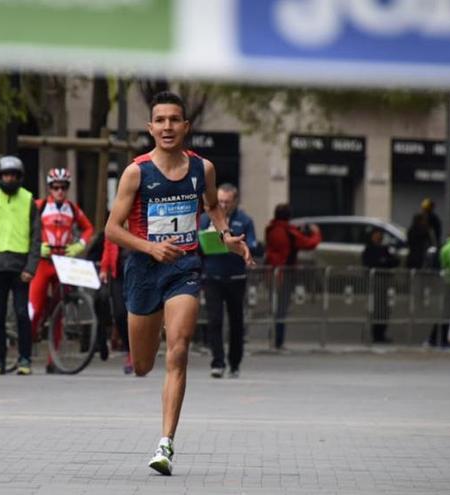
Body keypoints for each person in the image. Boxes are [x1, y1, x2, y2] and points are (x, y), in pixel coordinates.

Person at [104, 91, 252, 476]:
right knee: (141, 365)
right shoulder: (136, 172)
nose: (168, 127)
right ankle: (146, 356)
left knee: (180, 349)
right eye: (161, 120)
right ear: (150, 127)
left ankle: (165, 443)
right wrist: (150, 248)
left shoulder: (202, 169)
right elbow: (112, 230)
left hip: (184, 267)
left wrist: (226, 235)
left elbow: (212, 206)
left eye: (175, 120)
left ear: (185, 127)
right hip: (143, 269)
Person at [0, 155, 40, 376]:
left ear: (19, 177)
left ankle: (24, 359)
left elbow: (35, 237)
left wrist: (31, 267)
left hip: (20, 267)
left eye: (13, 175)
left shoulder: (28, 200)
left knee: (22, 314)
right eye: (5, 175)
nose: (9, 179)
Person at [29, 167, 94, 373]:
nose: (59, 191)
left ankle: (52, 360)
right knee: (36, 308)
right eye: (55, 187)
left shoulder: (72, 209)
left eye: (63, 187)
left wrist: (79, 245)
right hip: (43, 261)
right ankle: (26, 347)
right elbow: (24, 228)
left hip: (63, 262)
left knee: (60, 311)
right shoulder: (39, 206)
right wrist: (36, 245)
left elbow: (89, 228)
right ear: (49, 188)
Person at [199, 183, 257, 379]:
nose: (222, 205)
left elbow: (253, 244)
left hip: (235, 277)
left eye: (227, 201)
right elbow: (196, 245)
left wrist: (243, 246)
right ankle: (217, 362)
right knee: (214, 320)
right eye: (220, 201)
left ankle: (235, 363)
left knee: (236, 321)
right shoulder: (206, 219)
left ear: (235, 201)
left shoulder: (244, 220)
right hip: (212, 276)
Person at [264, 203, 321, 349]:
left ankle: (272, 339)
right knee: (282, 309)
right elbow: (308, 243)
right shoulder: (289, 232)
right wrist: (316, 233)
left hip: (271, 273)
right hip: (285, 274)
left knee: (274, 307)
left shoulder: (270, 229)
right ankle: (278, 341)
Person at [98, 234, 132, 374]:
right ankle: (129, 349)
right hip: (117, 273)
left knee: (136, 313)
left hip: (137, 271)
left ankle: (137, 352)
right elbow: (108, 245)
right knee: (119, 314)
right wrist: (104, 268)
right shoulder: (114, 220)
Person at [361, 229, 400, 343]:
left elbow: (394, 261)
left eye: (380, 236)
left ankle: (381, 333)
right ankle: (375, 334)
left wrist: (384, 261)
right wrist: (383, 262)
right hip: (375, 281)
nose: (378, 238)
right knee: (376, 308)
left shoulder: (385, 249)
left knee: (385, 309)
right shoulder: (369, 249)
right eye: (376, 236)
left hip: (385, 281)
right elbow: (370, 263)